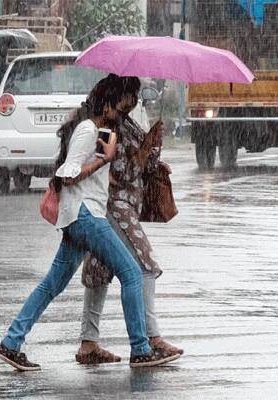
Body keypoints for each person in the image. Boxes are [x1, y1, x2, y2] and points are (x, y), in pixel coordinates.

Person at [0, 76, 180, 371]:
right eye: (122, 103)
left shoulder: (101, 129)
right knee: (132, 273)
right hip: (86, 215)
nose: (125, 110)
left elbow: (116, 168)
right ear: (107, 100)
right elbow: (67, 175)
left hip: (78, 216)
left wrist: (132, 158)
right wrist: (103, 161)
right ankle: (141, 349)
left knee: (51, 285)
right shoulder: (87, 128)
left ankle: (11, 343)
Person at [75, 76, 184, 364]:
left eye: (136, 94)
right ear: (116, 95)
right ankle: (151, 338)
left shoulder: (127, 122)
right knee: (145, 266)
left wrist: (153, 147)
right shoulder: (106, 126)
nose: (134, 100)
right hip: (113, 207)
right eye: (130, 94)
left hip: (128, 205)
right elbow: (111, 171)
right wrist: (144, 151)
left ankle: (89, 343)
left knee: (98, 272)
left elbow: (141, 166)